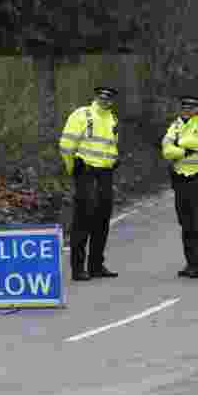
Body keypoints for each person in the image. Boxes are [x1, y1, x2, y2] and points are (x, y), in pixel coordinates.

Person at [59, 86, 120, 281]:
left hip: (105, 173)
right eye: (101, 97)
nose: (104, 100)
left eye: (108, 98)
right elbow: (66, 145)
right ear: (95, 97)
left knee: (102, 219)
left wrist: (114, 159)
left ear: (112, 101)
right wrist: (73, 169)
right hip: (86, 171)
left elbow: (111, 146)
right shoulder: (82, 114)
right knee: (83, 219)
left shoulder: (112, 119)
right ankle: (78, 268)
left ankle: (96, 265)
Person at [162, 94, 198, 278]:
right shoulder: (175, 125)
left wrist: (178, 144)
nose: (188, 110)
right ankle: (190, 263)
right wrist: (186, 148)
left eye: (192, 107)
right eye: (185, 107)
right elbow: (167, 150)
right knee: (185, 222)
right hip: (180, 179)